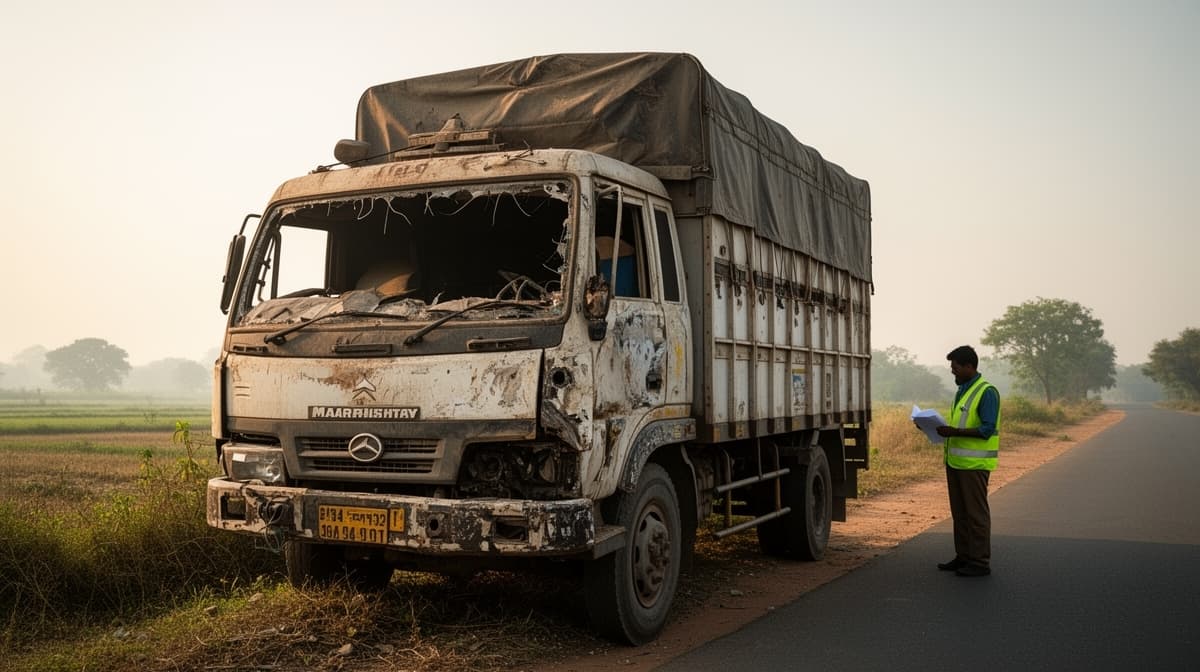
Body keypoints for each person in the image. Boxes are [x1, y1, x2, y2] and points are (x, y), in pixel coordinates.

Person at [935, 345, 1001, 577]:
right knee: (960, 513)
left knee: (976, 515)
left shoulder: (987, 392)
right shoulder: (962, 390)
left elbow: (986, 429)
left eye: (956, 368)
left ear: (969, 366)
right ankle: (963, 556)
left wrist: (952, 432)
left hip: (975, 465)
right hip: (956, 463)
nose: (953, 372)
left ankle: (980, 562)